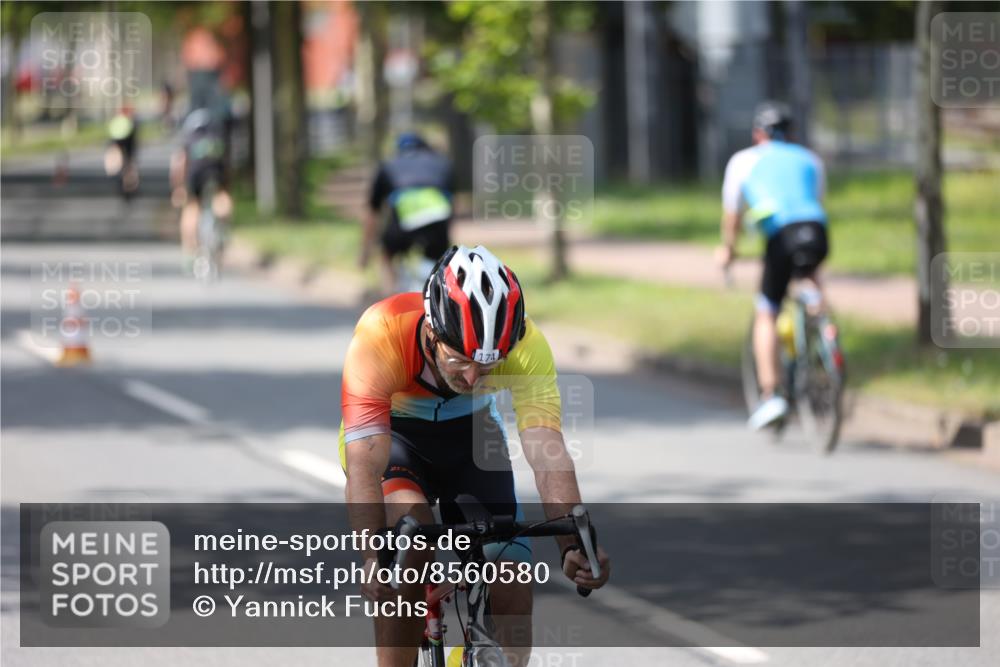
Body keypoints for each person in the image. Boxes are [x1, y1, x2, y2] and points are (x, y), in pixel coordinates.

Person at [340, 245, 610, 666]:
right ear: (432, 330)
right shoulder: (382, 331)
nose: (471, 376)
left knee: (514, 582)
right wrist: (373, 556)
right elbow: (363, 462)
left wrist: (573, 544)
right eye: (460, 360)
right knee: (411, 544)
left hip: (471, 437)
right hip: (395, 438)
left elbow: (546, 449)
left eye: (487, 366)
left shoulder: (526, 347)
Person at [716, 101, 829, 430]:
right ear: (791, 133)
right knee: (809, 277)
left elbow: (733, 215)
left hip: (780, 235)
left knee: (767, 310)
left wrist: (728, 250)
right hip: (816, 230)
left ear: (757, 134)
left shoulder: (743, 161)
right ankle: (823, 330)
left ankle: (771, 395)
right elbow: (815, 201)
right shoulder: (809, 159)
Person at [362, 133, 455, 293]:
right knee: (438, 262)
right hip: (437, 216)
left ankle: (391, 301)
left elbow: (373, 213)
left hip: (405, 217)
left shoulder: (388, 165)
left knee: (387, 254)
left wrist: (365, 253)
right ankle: (438, 300)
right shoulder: (443, 163)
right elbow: (452, 204)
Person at [170, 108, 232, 270]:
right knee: (221, 197)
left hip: (196, 173)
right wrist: (226, 187)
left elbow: (180, 164)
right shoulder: (217, 137)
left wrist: (179, 188)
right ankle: (223, 229)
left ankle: (190, 251)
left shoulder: (189, 138)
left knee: (192, 207)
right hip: (215, 170)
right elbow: (226, 163)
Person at [104, 105, 139, 199]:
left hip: (118, 143)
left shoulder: (118, 121)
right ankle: (130, 185)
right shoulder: (130, 122)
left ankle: (126, 184)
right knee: (129, 165)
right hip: (125, 144)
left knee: (125, 165)